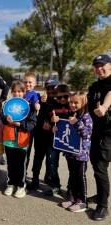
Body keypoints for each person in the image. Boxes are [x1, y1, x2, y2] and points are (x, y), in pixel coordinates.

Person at [56, 92, 92, 212]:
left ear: (83, 103)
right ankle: (73, 198)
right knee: (72, 176)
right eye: (71, 101)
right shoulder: (68, 114)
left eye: (76, 102)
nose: (72, 104)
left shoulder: (86, 117)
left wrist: (77, 122)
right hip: (70, 151)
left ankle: (82, 202)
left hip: (81, 153)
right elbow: (63, 129)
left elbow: (87, 134)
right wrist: (56, 128)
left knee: (80, 177)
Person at [3, 81, 37, 198]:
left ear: (24, 92)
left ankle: (21, 186)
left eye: (19, 91)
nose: (17, 94)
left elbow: (32, 124)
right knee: (11, 164)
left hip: (22, 141)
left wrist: (18, 123)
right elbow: (2, 120)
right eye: (15, 91)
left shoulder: (29, 108)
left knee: (21, 165)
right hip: (9, 141)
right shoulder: (7, 105)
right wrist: (6, 119)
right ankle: (11, 183)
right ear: (11, 92)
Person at [87, 54, 111, 221]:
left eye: (102, 65)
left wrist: (104, 107)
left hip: (108, 134)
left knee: (101, 169)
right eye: (96, 66)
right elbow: (86, 106)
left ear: (110, 65)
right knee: (96, 167)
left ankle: (103, 206)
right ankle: (100, 196)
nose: (99, 68)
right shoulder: (94, 86)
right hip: (95, 133)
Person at [29, 78, 58, 190]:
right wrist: (43, 101)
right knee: (38, 157)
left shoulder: (59, 101)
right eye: (48, 88)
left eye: (53, 88)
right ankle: (35, 177)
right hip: (40, 134)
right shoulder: (41, 100)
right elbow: (38, 107)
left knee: (51, 158)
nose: (50, 90)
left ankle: (48, 176)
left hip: (53, 135)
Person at [45, 84, 71, 196]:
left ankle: (71, 188)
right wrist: (52, 121)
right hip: (54, 140)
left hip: (69, 142)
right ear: (56, 97)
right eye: (60, 97)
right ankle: (56, 186)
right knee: (52, 164)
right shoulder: (53, 107)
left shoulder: (73, 106)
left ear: (69, 95)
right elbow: (48, 123)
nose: (63, 99)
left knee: (72, 166)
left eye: (65, 96)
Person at [22, 72, 41, 175]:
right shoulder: (21, 93)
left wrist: (37, 106)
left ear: (35, 83)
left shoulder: (35, 95)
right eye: (25, 82)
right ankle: (19, 173)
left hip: (30, 128)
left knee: (27, 153)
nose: (27, 84)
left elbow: (36, 102)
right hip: (20, 126)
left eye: (30, 82)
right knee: (20, 152)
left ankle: (24, 174)